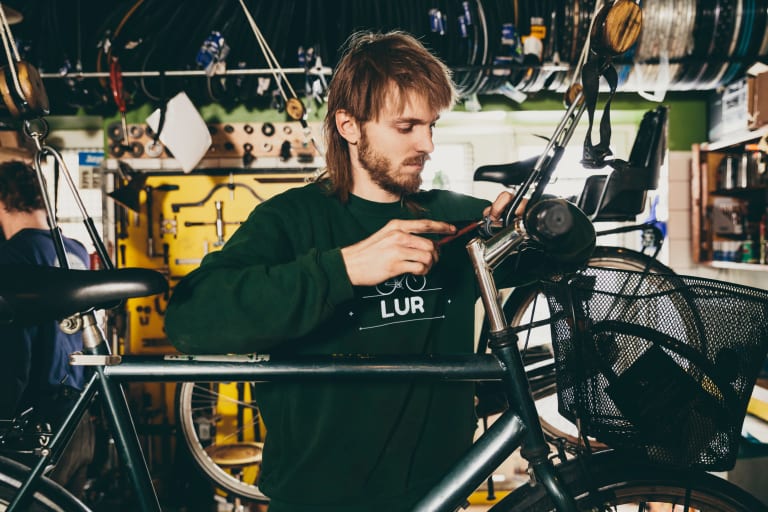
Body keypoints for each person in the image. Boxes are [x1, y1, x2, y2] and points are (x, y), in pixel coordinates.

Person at [164, 31, 515, 512]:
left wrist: (546, 220)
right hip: (320, 498)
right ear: (349, 126)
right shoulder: (292, 220)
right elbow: (190, 318)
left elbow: (572, 251)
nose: (428, 144)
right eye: (406, 126)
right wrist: (344, 269)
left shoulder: (459, 219)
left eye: (432, 125)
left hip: (440, 494)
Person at [0, 160, 94, 499]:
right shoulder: (76, 250)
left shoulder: (13, 256)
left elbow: (14, 352)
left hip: (34, 424)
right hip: (79, 416)